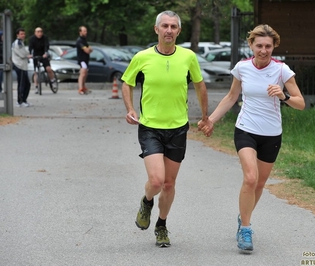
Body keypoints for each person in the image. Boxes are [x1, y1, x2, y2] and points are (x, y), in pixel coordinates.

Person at [198, 24, 305, 252]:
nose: (264, 50)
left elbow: (300, 103)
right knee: (250, 178)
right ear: (251, 45)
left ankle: (243, 216)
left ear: (274, 46)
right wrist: (211, 120)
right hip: (246, 129)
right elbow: (231, 96)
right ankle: (246, 229)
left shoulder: (282, 70)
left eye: (268, 46)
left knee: (260, 183)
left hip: (272, 134)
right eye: (259, 46)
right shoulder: (242, 68)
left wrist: (284, 95)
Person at [121, 10, 209, 247]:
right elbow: (126, 83)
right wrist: (130, 109)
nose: (169, 30)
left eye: (173, 26)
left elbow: (200, 86)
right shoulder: (142, 57)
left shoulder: (188, 57)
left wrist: (205, 116)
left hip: (178, 128)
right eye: (165, 26)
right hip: (150, 127)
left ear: (179, 31)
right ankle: (147, 200)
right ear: (156, 29)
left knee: (169, 184)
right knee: (157, 181)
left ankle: (161, 225)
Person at [28, 27, 57, 93]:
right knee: (35, 72)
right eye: (38, 32)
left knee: (48, 69)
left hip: (43, 55)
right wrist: (30, 54)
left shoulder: (44, 38)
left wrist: (46, 53)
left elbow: (46, 46)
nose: (40, 33)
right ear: (35, 33)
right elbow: (30, 47)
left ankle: (53, 81)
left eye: (41, 32)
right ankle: (36, 86)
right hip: (35, 55)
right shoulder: (32, 39)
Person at [12, 28, 33, 107]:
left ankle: (24, 100)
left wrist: (27, 54)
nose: (23, 35)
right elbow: (23, 54)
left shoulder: (21, 42)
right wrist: (28, 55)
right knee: (22, 84)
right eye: (21, 34)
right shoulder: (18, 43)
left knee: (27, 84)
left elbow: (26, 52)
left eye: (24, 34)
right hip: (19, 65)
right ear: (17, 35)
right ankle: (20, 101)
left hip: (23, 66)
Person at [76, 26, 93, 95]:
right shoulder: (79, 40)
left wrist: (89, 49)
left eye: (86, 31)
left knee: (85, 74)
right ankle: (80, 88)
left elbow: (90, 49)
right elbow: (87, 50)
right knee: (82, 74)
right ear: (80, 32)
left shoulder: (84, 40)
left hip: (86, 59)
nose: (86, 32)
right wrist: (88, 49)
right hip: (82, 59)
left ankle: (83, 87)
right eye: (84, 31)